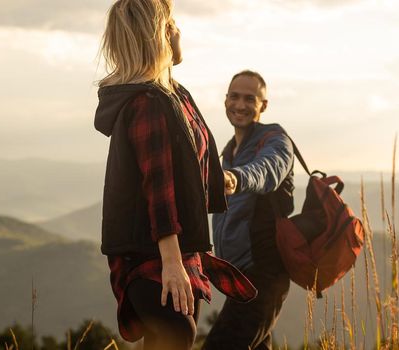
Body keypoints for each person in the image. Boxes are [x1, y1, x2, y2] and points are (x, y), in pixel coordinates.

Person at [94, 1, 256, 349]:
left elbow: (184, 162)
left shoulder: (174, 93)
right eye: (173, 23)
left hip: (179, 247)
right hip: (152, 251)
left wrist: (219, 180)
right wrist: (171, 264)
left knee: (171, 338)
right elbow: (158, 184)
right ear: (161, 34)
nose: (179, 30)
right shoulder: (149, 102)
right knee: (178, 334)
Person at [203, 70, 296, 350]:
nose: (240, 105)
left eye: (249, 98)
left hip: (264, 275)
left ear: (263, 105)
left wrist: (236, 178)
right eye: (234, 96)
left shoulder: (276, 141)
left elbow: (267, 171)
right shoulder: (228, 152)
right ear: (225, 100)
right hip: (239, 278)